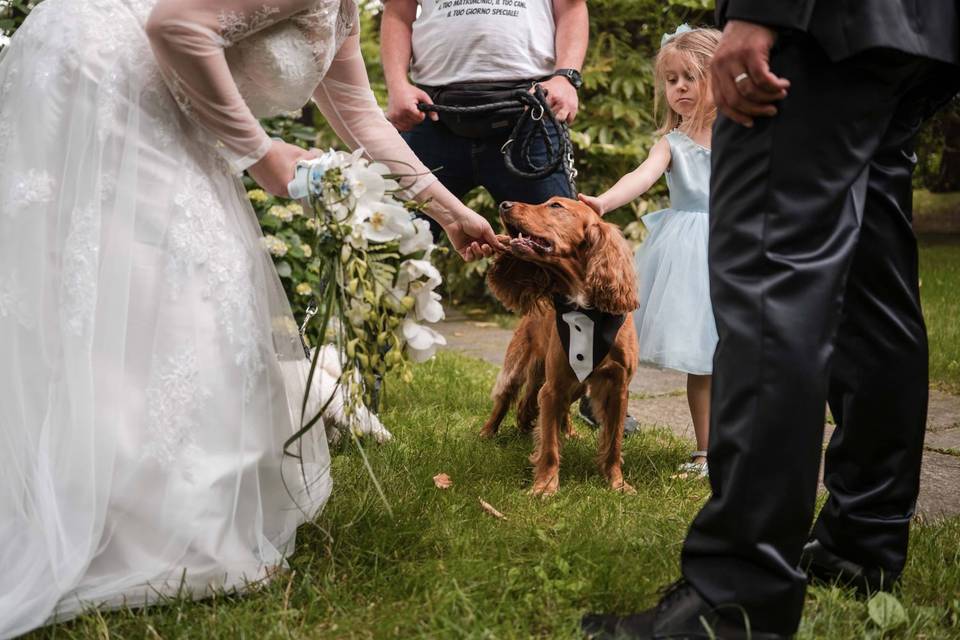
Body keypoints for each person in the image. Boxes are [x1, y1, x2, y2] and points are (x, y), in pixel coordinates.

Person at [0, 0, 501, 636]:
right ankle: (139, 523)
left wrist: (450, 212)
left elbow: (360, 118)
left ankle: (133, 505)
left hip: (153, 79)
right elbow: (175, 27)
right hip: (109, 69)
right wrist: (259, 152)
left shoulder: (343, 10)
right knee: (174, 272)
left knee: (178, 274)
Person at [582, 1, 960, 638]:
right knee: (874, 285)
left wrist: (762, 11)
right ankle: (859, 549)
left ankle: (739, 592)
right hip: (922, 33)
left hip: (818, 23)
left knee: (768, 284)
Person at [381, 0, 639, 433]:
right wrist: (396, 83)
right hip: (431, 112)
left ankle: (600, 392)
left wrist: (566, 75)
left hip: (528, 112)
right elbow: (397, 13)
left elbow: (572, 7)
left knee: (578, 259)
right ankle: (353, 380)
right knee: (385, 249)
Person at [579, 26, 720, 478]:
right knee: (703, 358)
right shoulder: (673, 143)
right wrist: (603, 203)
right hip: (689, 257)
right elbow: (641, 176)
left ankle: (752, 447)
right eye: (671, 79)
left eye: (691, 77)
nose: (679, 87)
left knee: (749, 356)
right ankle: (707, 452)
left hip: (740, 246)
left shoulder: (750, 136)